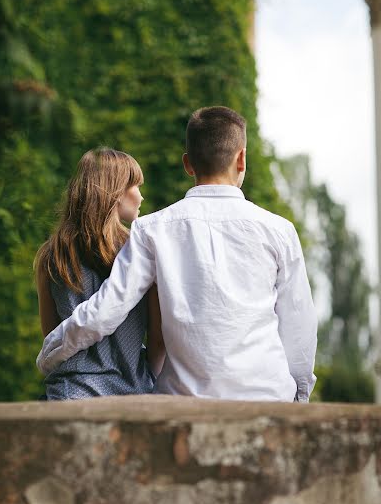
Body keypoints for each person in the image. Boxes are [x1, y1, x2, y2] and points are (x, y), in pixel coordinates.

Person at [37, 107, 317, 402]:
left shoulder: (151, 230)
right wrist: (300, 397)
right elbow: (299, 328)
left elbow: (107, 309)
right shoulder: (280, 231)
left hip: (184, 402)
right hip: (267, 397)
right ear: (242, 158)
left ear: (188, 164)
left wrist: (50, 352)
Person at [35, 147, 165, 400]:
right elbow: (158, 340)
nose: (141, 197)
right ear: (117, 192)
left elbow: (53, 337)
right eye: (136, 186)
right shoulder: (141, 253)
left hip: (69, 393)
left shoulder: (52, 256)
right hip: (132, 393)